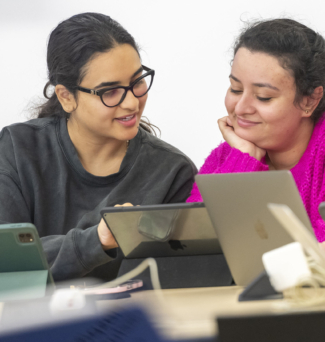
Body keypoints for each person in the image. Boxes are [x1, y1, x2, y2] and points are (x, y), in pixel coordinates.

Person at [0, 13, 197, 282]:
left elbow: (176, 280)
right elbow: (9, 267)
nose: (131, 103)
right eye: (110, 91)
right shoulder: (17, 150)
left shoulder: (172, 171)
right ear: (66, 97)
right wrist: (97, 240)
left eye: (137, 81)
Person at [187, 18, 325, 244]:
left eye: (263, 97)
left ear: (310, 100)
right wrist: (243, 158)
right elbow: (193, 241)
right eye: (235, 89)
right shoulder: (225, 157)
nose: (240, 108)